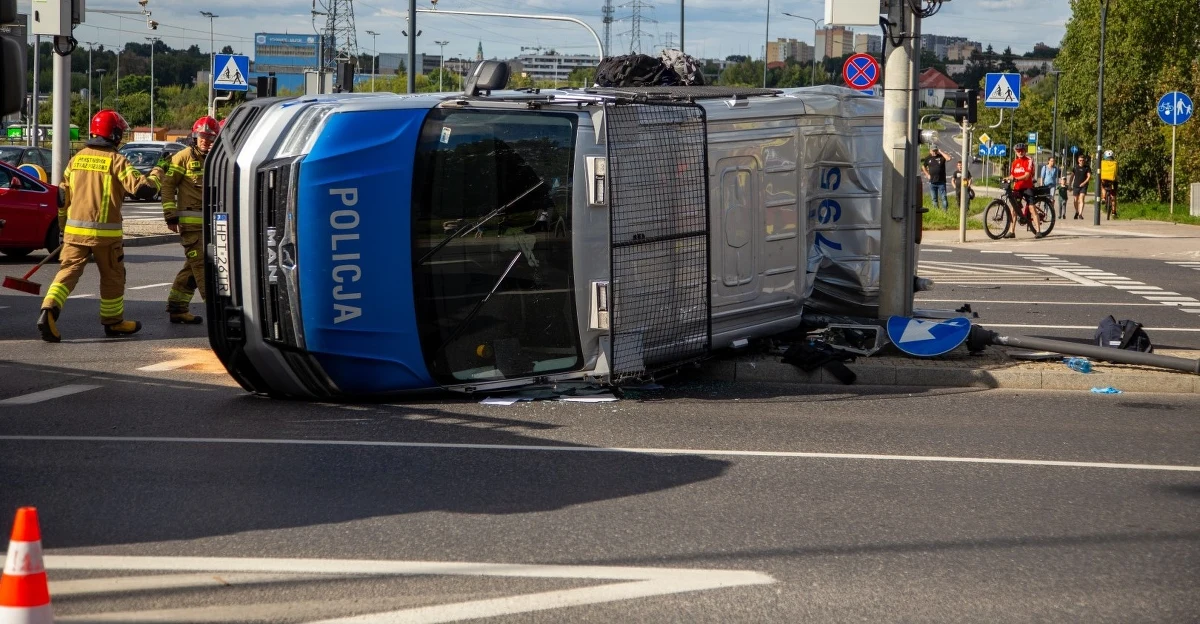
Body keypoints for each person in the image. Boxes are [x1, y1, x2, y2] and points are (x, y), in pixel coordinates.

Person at [37, 110, 162, 342]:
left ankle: (49, 310)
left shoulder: (76, 159)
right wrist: (157, 174)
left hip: (74, 233)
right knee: (113, 276)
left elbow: (62, 198)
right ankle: (113, 322)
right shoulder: (117, 160)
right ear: (114, 134)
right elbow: (144, 189)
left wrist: (64, 229)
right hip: (106, 236)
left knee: (67, 272)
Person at [159, 116, 220, 324]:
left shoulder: (217, 159)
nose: (205, 140)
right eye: (202, 136)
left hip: (212, 226)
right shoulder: (182, 157)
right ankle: (217, 315)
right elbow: (168, 186)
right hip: (191, 226)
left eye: (210, 137)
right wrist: (170, 215)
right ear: (194, 136)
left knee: (191, 270)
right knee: (203, 267)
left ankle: (177, 308)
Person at [1006, 142, 1038, 237]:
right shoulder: (1014, 162)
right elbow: (1012, 175)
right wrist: (1006, 178)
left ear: (1025, 151)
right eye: (1018, 151)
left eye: (1022, 151)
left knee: (1032, 208)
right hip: (1017, 188)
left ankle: (1038, 231)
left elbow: (1027, 175)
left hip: (1027, 187)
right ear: (1015, 152)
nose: (1020, 152)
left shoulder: (1029, 160)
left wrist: (1016, 179)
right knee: (1014, 209)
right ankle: (1012, 232)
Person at [922, 146, 949, 211]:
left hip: (941, 181)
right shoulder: (928, 158)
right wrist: (927, 174)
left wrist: (941, 152)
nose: (934, 152)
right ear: (930, 151)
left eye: (935, 150)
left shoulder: (941, 157)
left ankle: (945, 211)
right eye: (933, 151)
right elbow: (923, 166)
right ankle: (937, 211)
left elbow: (948, 158)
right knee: (934, 199)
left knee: (944, 198)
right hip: (932, 182)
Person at [1100, 149, 1119, 219]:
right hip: (1113, 181)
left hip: (1104, 180)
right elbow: (1117, 172)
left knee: (1102, 186)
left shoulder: (1102, 163)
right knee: (1113, 195)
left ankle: (1103, 198)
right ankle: (1114, 212)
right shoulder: (1115, 163)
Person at [1071, 154, 1091, 220]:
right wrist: (1069, 185)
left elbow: (1089, 177)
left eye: (1083, 160)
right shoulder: (1075, 167)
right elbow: (1072, 176)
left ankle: (1080, 214)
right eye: (1080, 160)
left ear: (1084, 161)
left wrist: (1084, 183)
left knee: (1081, 198)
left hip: (1083, 186)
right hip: (1076, 185)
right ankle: (1077, 211)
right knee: (1075, 200)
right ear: (1078, 161)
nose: (1081, 161)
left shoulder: (1087, 168)